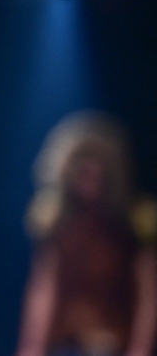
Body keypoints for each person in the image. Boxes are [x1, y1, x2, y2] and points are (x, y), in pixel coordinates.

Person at [16, 112, 157, 356]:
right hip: (65, 345)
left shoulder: (133, 221)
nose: (90, 182)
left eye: (97, 173)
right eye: (83, 173)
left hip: (115, 344)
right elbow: (44, 287)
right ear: (68, 173)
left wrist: (141, 347)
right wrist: (31, 346)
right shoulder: (56, 221)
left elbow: (148, 292)